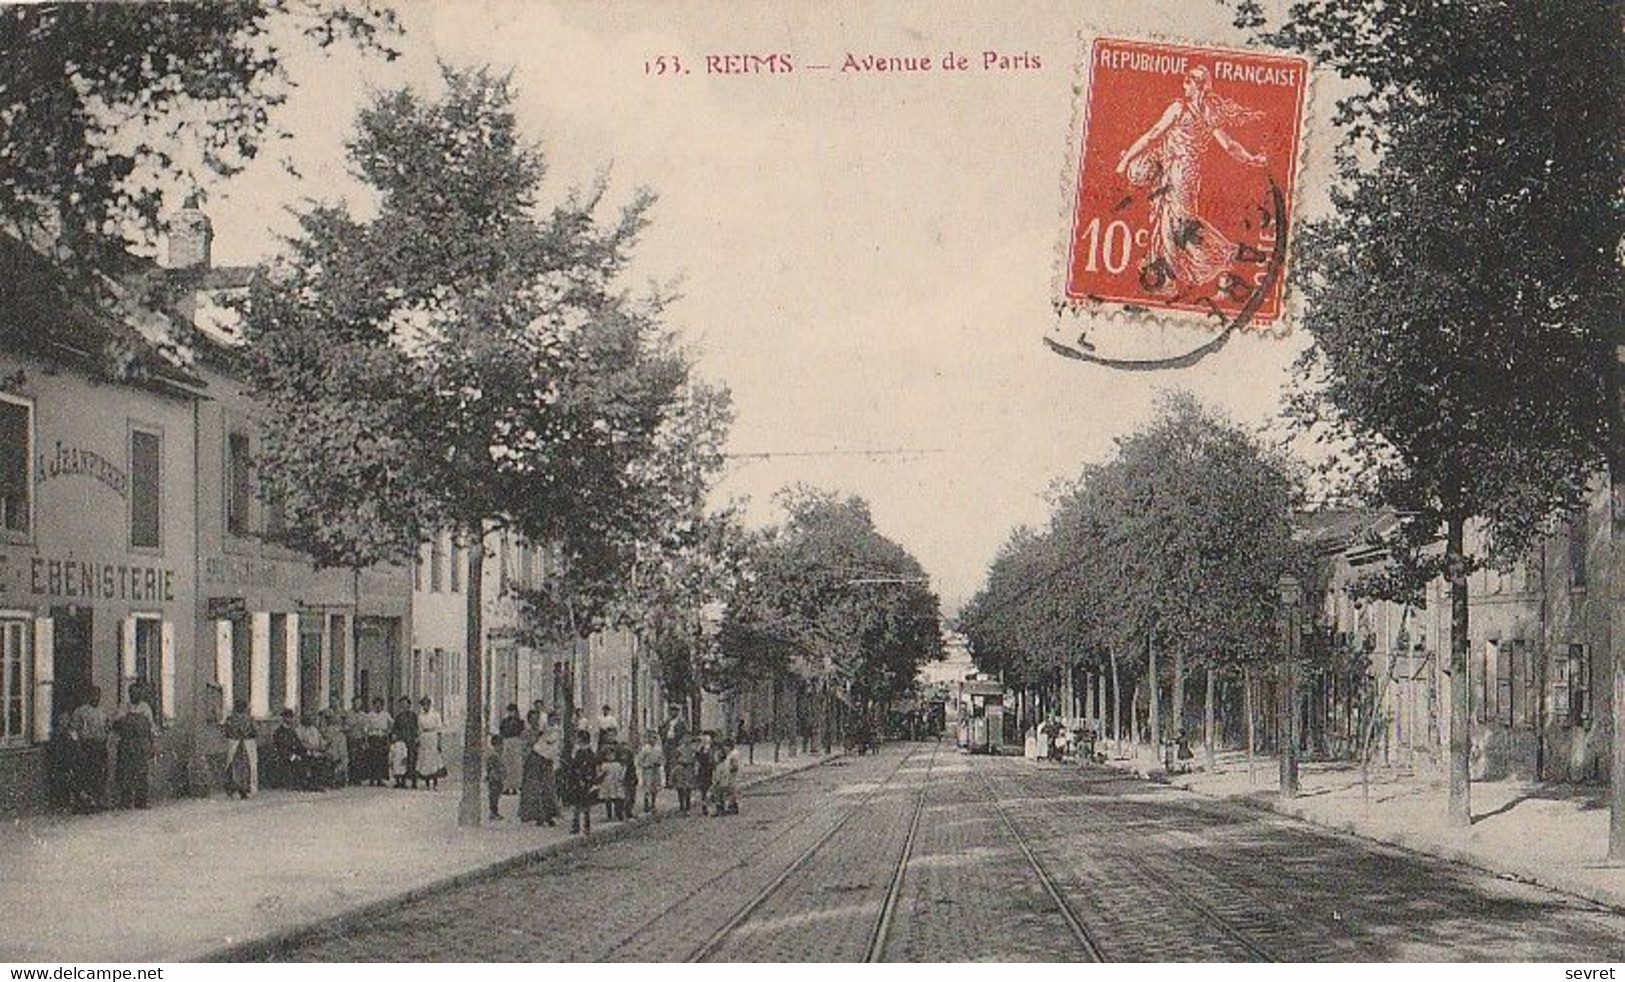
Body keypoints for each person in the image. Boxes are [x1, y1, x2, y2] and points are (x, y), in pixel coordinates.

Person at [1115, 64, 1268, 297]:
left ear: (1197, 86)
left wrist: (1126, 159)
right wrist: (1251, 158)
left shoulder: (1179, 108)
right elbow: (1229, 145)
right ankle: (1221, 255)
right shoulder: (1209, 112)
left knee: (1172, 223)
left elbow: (1154, 134)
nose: (1184, 85)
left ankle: (1218, 256)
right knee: (1178, 222)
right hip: (1188, 174)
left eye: (1188, 82)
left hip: (1175, 170)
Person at [112, 683, 157, 809]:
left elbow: (151, 728)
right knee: (126, 772)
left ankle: (141, 802)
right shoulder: (123, 707)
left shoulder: (146, 708)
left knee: (142, 773)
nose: (135, 695)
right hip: (127, 744)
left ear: (141, 694)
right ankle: (125, 801)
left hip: (141, 744)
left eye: (138, 693)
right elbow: (116, 725)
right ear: (129, 693)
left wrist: (152, 746)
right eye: (133, 693)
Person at [65, 686, 109, 812]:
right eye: (93, 695)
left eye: (98, 695)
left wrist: (105, 741)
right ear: (88, 696)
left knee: (99, 773)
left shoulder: (102, 711)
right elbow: (73, 730)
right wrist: (77, 744)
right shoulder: (80, 712)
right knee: (85, 774)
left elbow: (106, 728)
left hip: (100, 745)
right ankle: (84, 802)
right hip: (86, 745)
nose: (96, 698)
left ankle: (97, 800)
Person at [519, 716, 560, 826]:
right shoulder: (546, 733)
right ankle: (539, 816)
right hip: (537, 759)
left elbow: (553, 749)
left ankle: (547, 815)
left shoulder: (553, 732)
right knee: (536, 789)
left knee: (547, 788)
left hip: (546, 761)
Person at [562, 730, 597, 835]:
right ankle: (584, 825)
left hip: (581, 781)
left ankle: (578, 825)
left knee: (579, 805)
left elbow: (577, 767)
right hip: (583, 782)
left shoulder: (581, 753)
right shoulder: (589, 753)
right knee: (583, 805)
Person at [221, 699, 258, 799]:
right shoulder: (249, 719)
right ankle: (245, 788)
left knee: (232, 765)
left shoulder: (230, 719)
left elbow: (225, 731)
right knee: (247, 766)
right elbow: (255, 731)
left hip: (233, 744)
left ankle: (232, 789)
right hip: (247, 744)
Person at [416, 696, 446, 790]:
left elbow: (439, 729)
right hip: (424, 738)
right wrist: (419, 740)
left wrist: (439, 742)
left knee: (434, 759)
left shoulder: (435, 715)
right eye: (424, 705)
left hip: (433, 737)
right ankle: (427, 782)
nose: (426, 707)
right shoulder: (420, 716)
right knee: (425, 759)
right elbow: (419, 729)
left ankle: (435, 783)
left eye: (427, 704)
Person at [363, 698, 393, 786]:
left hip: (382, 737)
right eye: (376, 704)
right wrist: (367, 736)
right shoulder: (370, 715)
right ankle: (372, 778)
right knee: (372, 758)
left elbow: (391, 724)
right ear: (374, 705)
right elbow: (366, 727)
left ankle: (380, 779)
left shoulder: (386, 715)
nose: (378, 706)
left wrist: (388, 732)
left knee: (382, 759)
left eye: (380, 704)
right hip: (373, 737)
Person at [392, 696, 420, 789]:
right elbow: (395, 728)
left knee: (412, 761)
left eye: (405, 704)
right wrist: (395, 735)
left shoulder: (413, 716)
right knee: (401, 761)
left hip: (411, 740)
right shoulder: (398, 717)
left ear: (409, 705)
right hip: (402, 741)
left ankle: (413, 782)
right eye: (402, 704)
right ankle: (402, 781)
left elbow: (416, 727)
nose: (404, 706)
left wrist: (416, 737)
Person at [498, 704, 526, 795]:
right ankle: (506, 786)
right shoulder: (504, 722)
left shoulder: (520, 722)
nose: (511, 713)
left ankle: (515, 787)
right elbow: (501, 732)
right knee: (507, 764)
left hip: (516, 741)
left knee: (516, 765)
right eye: (510, 711)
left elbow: (522, 733)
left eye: (513, 711)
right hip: (507, 741)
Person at [597, 741, 626, 822]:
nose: (610, 757)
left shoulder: (617, 765)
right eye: (608, 755)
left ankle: (618, 813)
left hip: (616, 783)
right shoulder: (604, 765)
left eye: (612, 755)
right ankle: (609, 815)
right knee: (608, 799)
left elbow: (621, 773)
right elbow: (600, 775)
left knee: (617, 798)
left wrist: (621, 779)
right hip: (607, 784)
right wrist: (601, 776)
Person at [320, 708, 349, 787]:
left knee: (341, 759)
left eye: (330, 718)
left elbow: (340, 745)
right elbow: (323, 741)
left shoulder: (338, 731)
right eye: (327, 718)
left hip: (337, 751)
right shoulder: (323, 729)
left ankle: (339, 778)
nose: (328, 720)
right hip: (327, 750)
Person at [635, 732, 663, 815]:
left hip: (656, 770)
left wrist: (660, 763)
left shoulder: (658, 749)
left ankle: (653, 804)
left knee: (655, 788)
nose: (652, 740)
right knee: (647, 787)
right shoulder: (645, 749)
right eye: (651, 738)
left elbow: (662, 759)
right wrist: (646, 765)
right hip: (648, 770)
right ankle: (646, 804)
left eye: (654, 738)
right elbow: (639, 761)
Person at [711, 739, 740, 817]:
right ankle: (726, 808)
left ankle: (730, 808)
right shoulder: (728, 755)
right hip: (725, 777)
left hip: (728, 777)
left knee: (727, 792)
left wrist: (729, 771)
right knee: (725, 792)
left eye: (726, 746)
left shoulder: (733, 755)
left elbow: (734, 767)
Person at [670, 734, 698, 813]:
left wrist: (694, 768)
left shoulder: (693, 749)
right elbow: (674, 759)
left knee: (689, 788)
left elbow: (695, 759)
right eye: (685, 738)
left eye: (689, 739)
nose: (687, 740)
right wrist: (675, 768)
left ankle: (688, 806)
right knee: (680, 787)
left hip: (689, 768)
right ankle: (682, 806)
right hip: (680, 767)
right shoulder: (679, 749)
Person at [661, 707, 688, 788]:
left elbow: (685, 733)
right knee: (666, 763)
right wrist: (664, 737)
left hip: (675, 743)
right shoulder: (667, 721)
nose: (672, 713)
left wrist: (680, 742)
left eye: (674, 711)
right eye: (671, 711)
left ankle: (673, 782)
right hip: (667, 743)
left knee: (674, 763)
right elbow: (662, 730)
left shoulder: (681, 722)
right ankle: (667, 782)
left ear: (677, 712)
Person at [485, 734, 506, 821]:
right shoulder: (493, 755)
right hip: (494, 778)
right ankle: (493, 812)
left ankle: (494, 812)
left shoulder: (496, 754)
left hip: (498, 778)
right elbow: (491, 767)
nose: (502, 747)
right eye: (500, 745)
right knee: (494, 795)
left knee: (496, 795)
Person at [695, 732, 716, 816]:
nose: (705, 741)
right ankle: (704, 805)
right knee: (703, 788)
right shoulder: (700, 749)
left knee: (711, 787)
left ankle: (711, 805)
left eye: (707, 740)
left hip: (711, 770)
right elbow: (697, 759)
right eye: (704, 740)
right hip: (702, 770)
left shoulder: (713, 749)